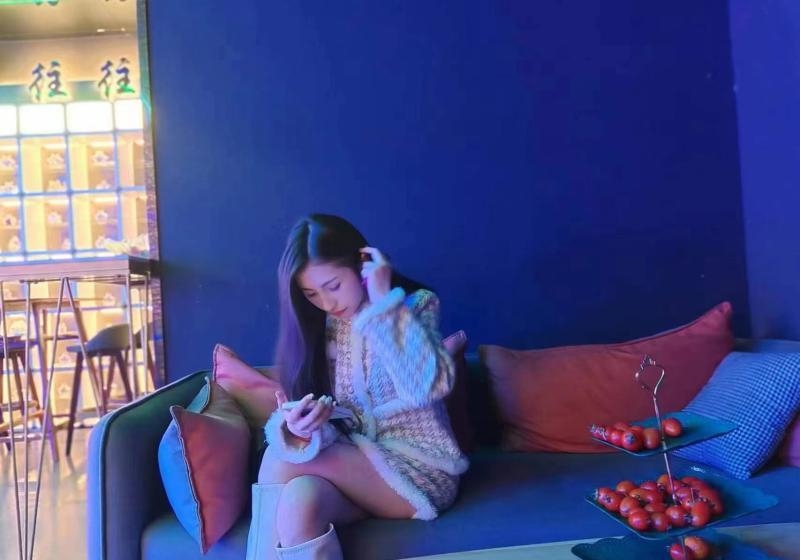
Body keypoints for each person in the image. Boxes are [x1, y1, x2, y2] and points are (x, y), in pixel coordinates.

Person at [246, 214, 468, 560]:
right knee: (299, 501)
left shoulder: (414, 304)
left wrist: (382, 304)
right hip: (359, 470)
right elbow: (340, 426)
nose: (327, 303)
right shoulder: (320, 327)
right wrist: (303, 428)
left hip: (420, 469)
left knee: (278, 457)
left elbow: (425, 389)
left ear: (361, 263)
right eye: (311, 294)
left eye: (333, 286)